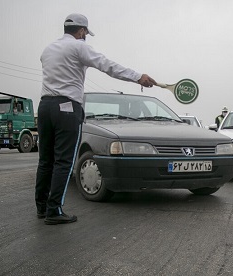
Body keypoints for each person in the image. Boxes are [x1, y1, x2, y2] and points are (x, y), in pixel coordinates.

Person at [35, 13, 156, 225]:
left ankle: (42, 207)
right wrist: (138, 77)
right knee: (64, 161)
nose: (85, 37)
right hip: (67, 108)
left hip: (45, 106)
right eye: (85, 33)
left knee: (46, 160)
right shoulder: (79, 47)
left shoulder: (48, 50)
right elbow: (107, 65)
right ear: (81, 31)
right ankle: (54, 210)